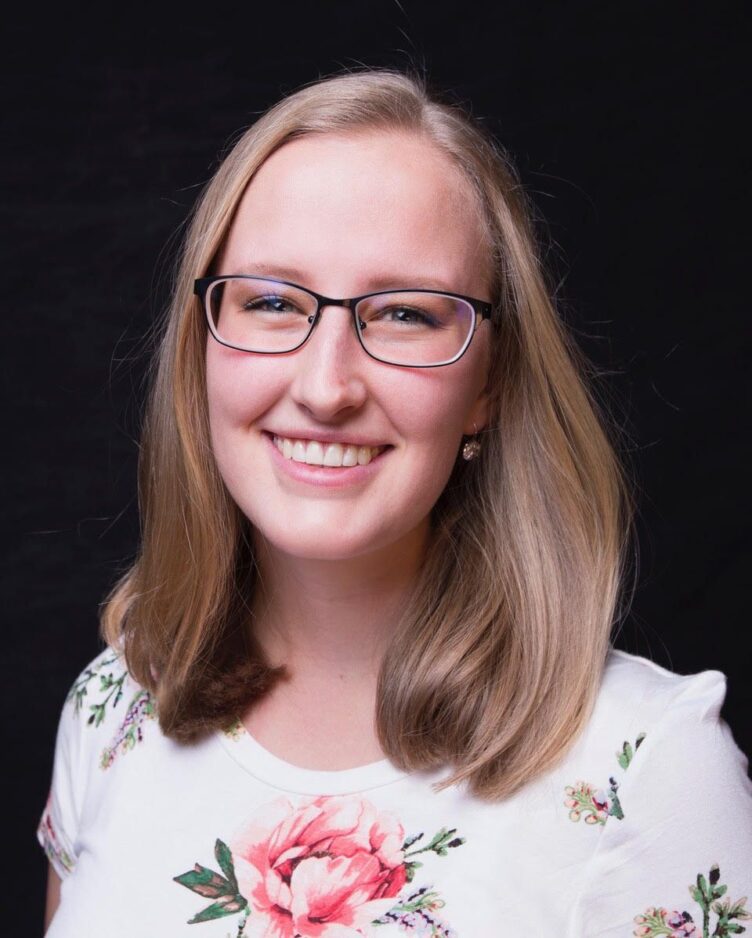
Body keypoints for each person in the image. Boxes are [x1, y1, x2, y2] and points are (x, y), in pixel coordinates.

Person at [38, 67, 751, 937]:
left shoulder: (648, 770)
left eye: (406, 314)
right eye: (273, 301)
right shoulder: (112, 708)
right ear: (202, 349)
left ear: (489, 383)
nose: (326, 387)